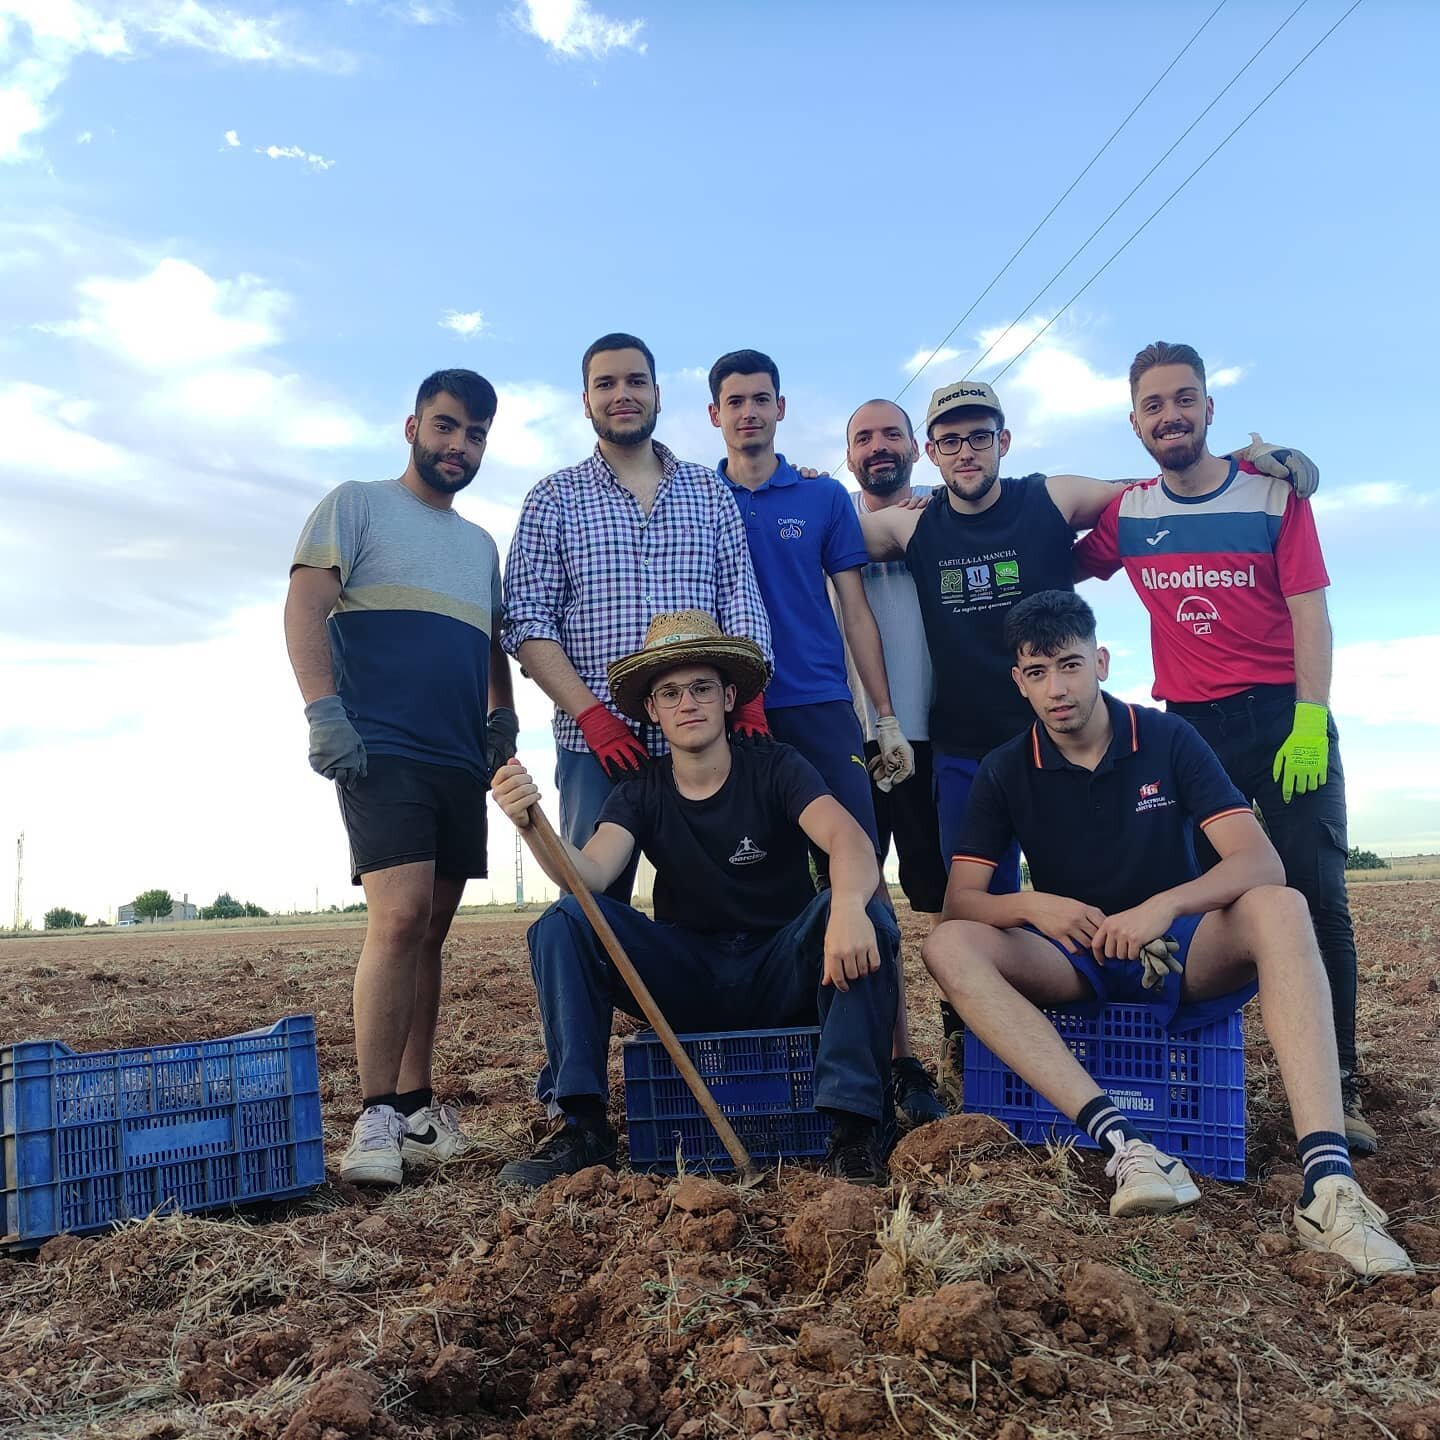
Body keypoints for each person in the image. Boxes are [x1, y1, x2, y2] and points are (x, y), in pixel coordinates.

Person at [921, 590, 1410, 1279]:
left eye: (1069, 665)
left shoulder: (1168, 738)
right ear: (1018, 682)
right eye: (1037, 673)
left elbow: (1257, 860)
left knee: (1281, 905)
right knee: (946, 945)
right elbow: (962, 901)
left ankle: (1328, 1186)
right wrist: (1036, 907)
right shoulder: (1006, 766)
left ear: (1101, 661)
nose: (1056, 689)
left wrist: (1161, 908)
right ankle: (1128, 1147)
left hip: (1177, 950)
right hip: (1073, 954)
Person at [856, 379, 1316, 1102]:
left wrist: (1246, 462)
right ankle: (978, 1052)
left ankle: (1129, 1035)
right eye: (950, 440)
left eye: (980, 436)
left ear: (1004, 441)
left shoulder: (1054, 497)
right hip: (970, 751)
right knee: (978, 906)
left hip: (1070, 743)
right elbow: (823, 534)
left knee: (1108, 886)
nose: (966, 451)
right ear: (931, 454)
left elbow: (1159, 481)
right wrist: (804, 486)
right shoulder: (912, 526)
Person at [1074, 340, 1373, 1156]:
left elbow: (1311, 611)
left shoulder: (1273, 495)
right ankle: (1189, 1075)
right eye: (1153, 405)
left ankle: (1337, 1086)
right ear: (1134, 421)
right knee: (1187, 901)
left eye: (1184, 399)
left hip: (1283, 717)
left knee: (1313, 895)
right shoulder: (1129, 514)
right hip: (1187, 730)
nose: (1169, 415)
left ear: (1209, 409)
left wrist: (1312, 717)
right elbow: (1051, 551)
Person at [490, 611, 901, 1187]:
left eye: (702, 687)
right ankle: (583, 1126)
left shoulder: (776, 766)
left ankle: (854, 1132)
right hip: (690, 975)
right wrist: (532, 825)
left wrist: (850, 906)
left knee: (871, 917)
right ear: (653, 710)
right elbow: (589, 873)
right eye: (671, 693)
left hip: (780, 968)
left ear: (729, 696)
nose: (689, 703)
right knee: (566, 920)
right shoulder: (641, 789)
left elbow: (848, 840)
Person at [285, 369, 518, 1186]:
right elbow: (305, 606)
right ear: (412, 425)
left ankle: (417, 1108)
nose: (460, 446)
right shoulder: (356, 505)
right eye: (448, 427)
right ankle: (374, 1115)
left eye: (476, 434)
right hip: (381, 747)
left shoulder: (478, 545)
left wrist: (502, 718)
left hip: (459, 756)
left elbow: (491, 645)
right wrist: (323, 710)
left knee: (433, 932)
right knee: (399, 917)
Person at [707, 350, 941, 1128]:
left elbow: (855, 611)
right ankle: (776, 1056)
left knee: (864, 881)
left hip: (816, 706)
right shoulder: (694, 497)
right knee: (754, 889)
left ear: (780, 409)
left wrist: (883, 718)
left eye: (760, 399)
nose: (748, 412)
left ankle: (902, 1063)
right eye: (734, 400)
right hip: (727, 714)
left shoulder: (821, 495)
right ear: (714, 414)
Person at [502, 332, 773, 902]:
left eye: (635, 381)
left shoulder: (708, 491)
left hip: (705, 736)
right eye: (606, 383)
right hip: (597, 745)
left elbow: (740, 597)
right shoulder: (552, 498)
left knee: (719, 897)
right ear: (585, 401)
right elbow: (527, 621)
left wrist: (747, 697)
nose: (621, 394)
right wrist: (593, 716)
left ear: (657, 394)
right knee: (592, 906)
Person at [842, 398, 954, 1102]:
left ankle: (966, 1037)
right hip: (851, 736)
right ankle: (896, 1060)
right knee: (864, 901)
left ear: (917, 445)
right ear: (848, 453)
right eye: (863, 437)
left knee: (944, 899)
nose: (878, 446)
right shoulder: (828, 516)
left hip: (935, 734)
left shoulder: (948, 511)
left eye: (891, 434)